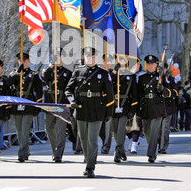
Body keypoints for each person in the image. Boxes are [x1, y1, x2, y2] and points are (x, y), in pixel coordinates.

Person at [65, 47, 114, 178]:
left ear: (95, 58)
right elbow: (68, 90)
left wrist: (109, 113)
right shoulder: (78, 71)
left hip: (97, 109)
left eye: (91, 56)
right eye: (86, 56)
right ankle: (89, 158)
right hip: (81, 108)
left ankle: (90, 166)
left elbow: (110, 95)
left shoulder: (103, 73)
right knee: (83, 137)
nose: (88, 58)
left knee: (92, 138)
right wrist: (72, 101)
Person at [137, 55, 175, 163]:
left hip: (157, 107)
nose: (149, 65)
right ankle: (152, 146)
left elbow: (170, 92)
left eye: (152, 64)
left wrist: (162, 89)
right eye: (148, 64)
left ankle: (151, 154)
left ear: (156, 65)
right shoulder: (141, 78)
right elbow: (138, 94)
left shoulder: (161, 77)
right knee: (147, 132)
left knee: (154, 131)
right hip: (145, 107)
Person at [9, 52, 43, 162]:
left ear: (28, 61)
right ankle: (26, 150)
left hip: (28, 104)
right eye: (20, 61)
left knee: (25, 130)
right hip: (16, 105)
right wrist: (17, 72)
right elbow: (8, 83)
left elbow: (39, 91)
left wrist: (38, 106)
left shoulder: (34, 74)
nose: (22, 63)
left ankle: (22, 153)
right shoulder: (15, 74)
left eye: (24, 61)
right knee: (19, 130)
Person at [41, 48, 72, 162]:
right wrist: (50, 66)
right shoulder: (48, 70)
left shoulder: (67, 73)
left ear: (63, 57)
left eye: (60, 56)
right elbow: (44, 77)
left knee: (60, 129)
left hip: (62, 103)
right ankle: (55, 149)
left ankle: (58, 153)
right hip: (50, 102)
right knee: (49, 128)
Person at [110, 55, 138, 163]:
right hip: (113, 105)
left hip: (125, 105)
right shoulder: (112, 74)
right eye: (119, 59)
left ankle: (117, 152)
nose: (121, 61)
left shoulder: (131, 75)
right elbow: (107, 87)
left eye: (123, 59)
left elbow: (134, 95)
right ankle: (122, 150)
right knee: (115, 131)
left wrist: (132, 110)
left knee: (121, 129)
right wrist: (113, 73)